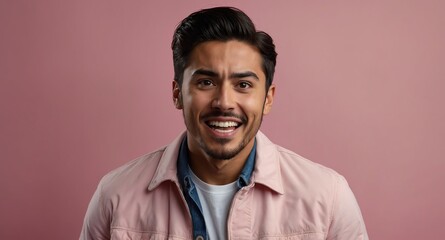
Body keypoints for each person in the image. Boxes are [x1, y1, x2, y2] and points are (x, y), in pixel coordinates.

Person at [80, 6, 368, 240]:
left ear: (268, 98)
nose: (224, 102)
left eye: (243, 84)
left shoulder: (327, 198)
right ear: (178, 94)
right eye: (206, 82)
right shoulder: (115, 196)